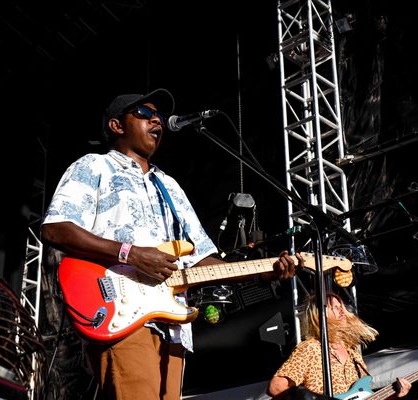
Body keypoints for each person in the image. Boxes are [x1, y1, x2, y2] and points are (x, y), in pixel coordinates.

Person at [40, 87, 302, 400]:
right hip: (121, 314)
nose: (158, 121)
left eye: (160, 117)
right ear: (116, 125)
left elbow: (203, 258)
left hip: (174, 326)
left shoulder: (169, 185)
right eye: (145, 114)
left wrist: (263, 272)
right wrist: (131, 254)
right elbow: (56, 228)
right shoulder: (94, 167)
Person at [267, 292, 412, 400]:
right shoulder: (311, 348)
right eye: (334, 307)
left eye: (341, 306)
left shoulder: (354, 352)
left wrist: (393, 395)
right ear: (319, 315)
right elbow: (276, 387)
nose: (341, 310)